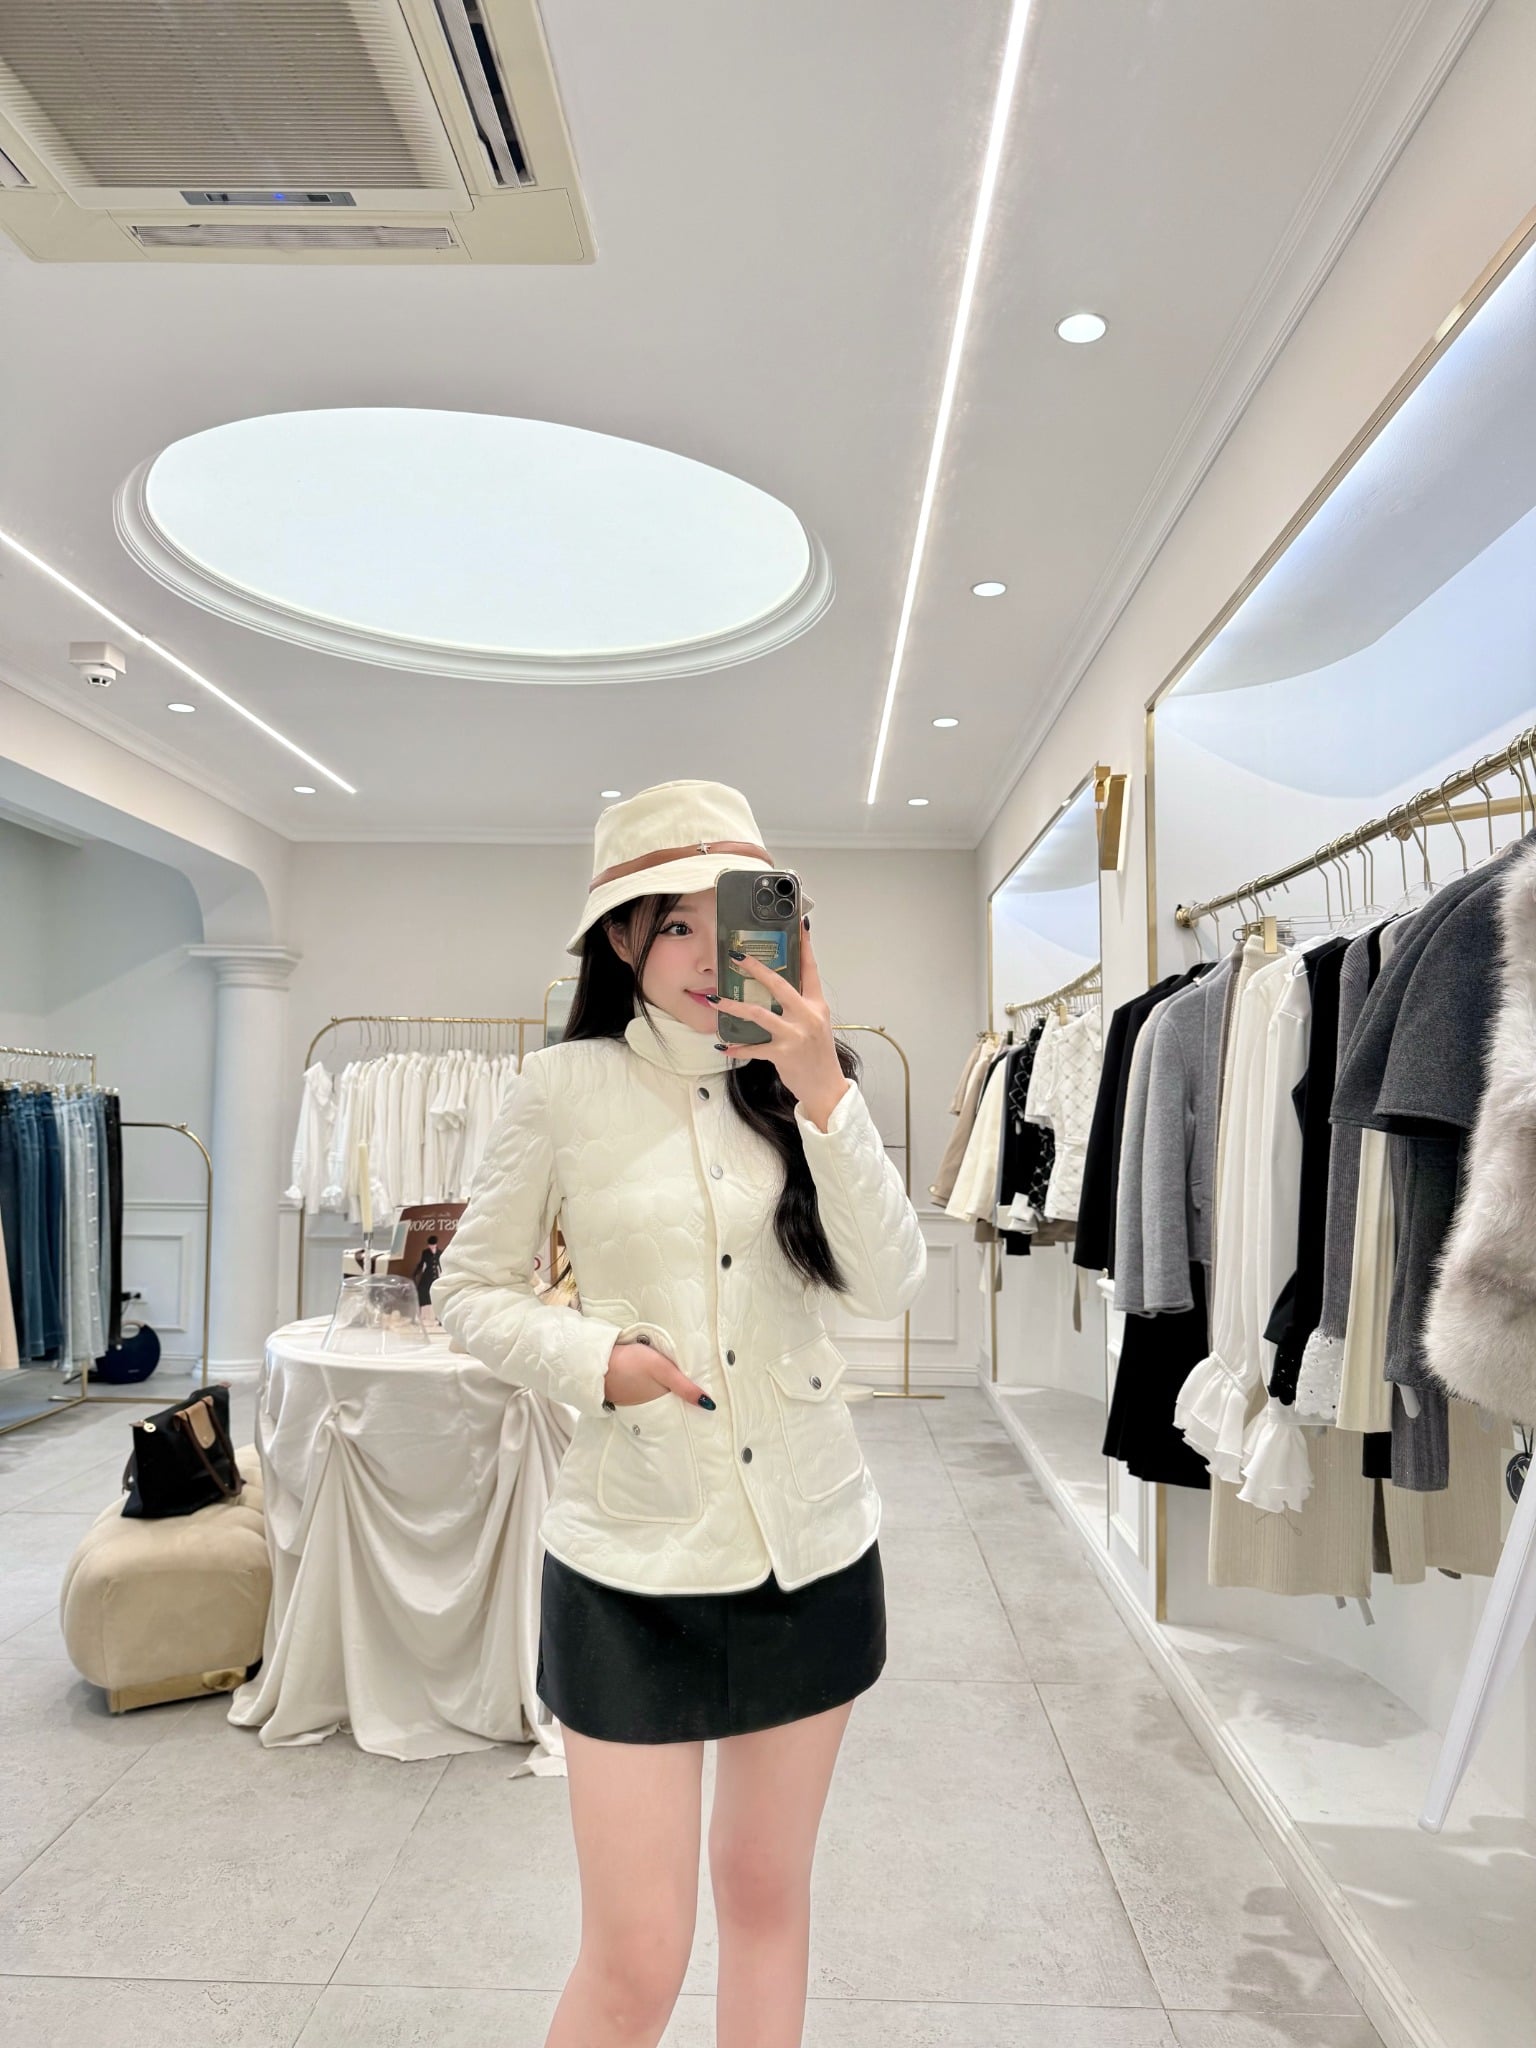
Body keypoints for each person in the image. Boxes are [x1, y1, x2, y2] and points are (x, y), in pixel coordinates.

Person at [434, 778, 927, 2048]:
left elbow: (889, 1282)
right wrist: (597, 1357)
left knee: (766, 1898)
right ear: (621, 939)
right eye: (675, 925)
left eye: (736, 918)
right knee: (637, 1953)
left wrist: (822, 1091)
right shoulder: (563, 1087)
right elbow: (469, 1292)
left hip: (809, 1547)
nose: (713, 956)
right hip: (631, 1559)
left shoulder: (810, 1084)